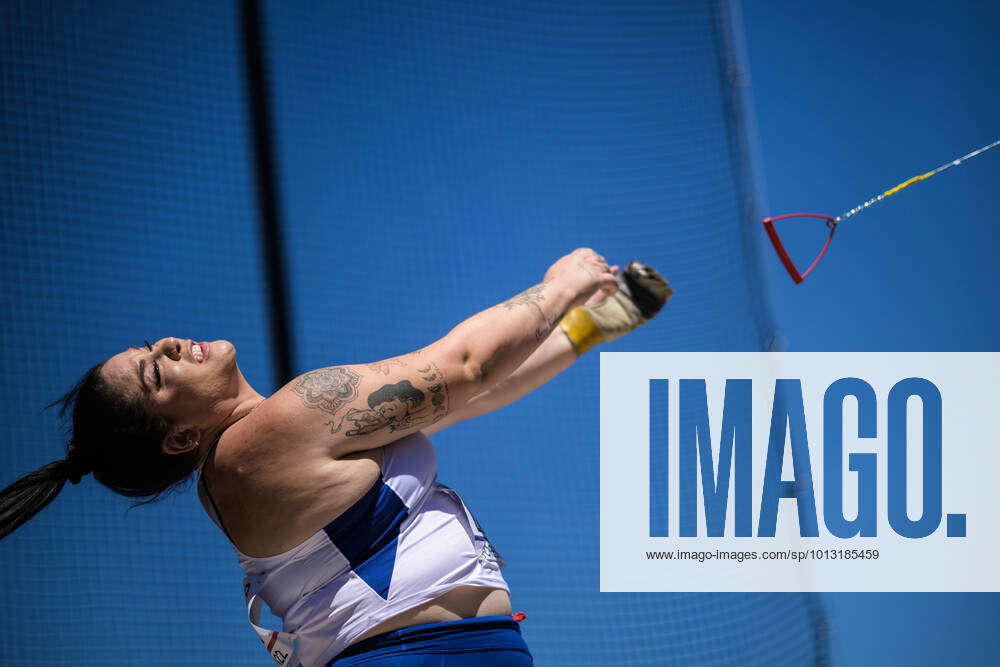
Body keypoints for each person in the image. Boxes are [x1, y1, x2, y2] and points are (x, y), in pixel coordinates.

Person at [0, 248, 671, 666]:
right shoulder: (281, 425)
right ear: (177, 438)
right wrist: (561, 285)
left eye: (153, 345)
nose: (171, 344)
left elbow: (476, 395)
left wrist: (596, 322)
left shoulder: (255, 452)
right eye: (155, 372)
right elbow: (464, 365)